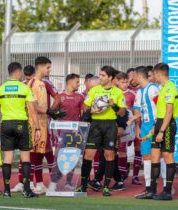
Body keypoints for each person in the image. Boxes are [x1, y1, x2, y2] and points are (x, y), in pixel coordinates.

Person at [0, 62, 40, 198]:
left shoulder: (0, 89)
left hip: (6, 124)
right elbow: (32, 111)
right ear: (19, 72)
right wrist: (37, 128)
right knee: (25, 158)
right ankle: (26, 190)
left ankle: (6, 191)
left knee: (8, 158)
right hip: (21, 124)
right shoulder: (24, 88)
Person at [77, 66, 126, 196]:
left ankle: (105, 187)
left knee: (109, 156)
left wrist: (113, 105)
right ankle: (83, 187)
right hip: (95, 125)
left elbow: (122, 112)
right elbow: (85, 107)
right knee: (88, 155)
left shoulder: (118, 92)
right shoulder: (94, 90)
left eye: (103, 75)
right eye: (100, 75)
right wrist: (93, 108)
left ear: (110, 77)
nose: (101, 78)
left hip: (110, 125)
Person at [139, 63, 178, 200]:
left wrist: (161, 131)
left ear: (159, 74)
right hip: (159, 124)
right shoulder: (162, 88)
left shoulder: (170, 88)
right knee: (154, 157)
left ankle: (167, 191)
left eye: (154, 74)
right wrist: (155, 127)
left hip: (167, 125)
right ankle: (151, 190)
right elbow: (161, 112)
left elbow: (169, 112)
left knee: (168, 157)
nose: (153, 77)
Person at [26, 57, 65, 194]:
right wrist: (50, 111)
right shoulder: (31, 83)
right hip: (34, 124)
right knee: (36, 154)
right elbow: (32, 106)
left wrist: (52, 113)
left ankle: (43, 184)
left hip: (44, 123)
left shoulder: (44, 83)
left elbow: (54, 99)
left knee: (43, 153)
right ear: (40, 67)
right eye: (48, 67)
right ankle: (39, 183)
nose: (49, 70)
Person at [47, 73, 84, 191]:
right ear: (70, 82)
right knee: (59, 157)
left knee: (73, 156)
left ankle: (69, 182)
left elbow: (83, 115)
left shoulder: (79, 97)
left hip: (75, 132)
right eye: (77, 82)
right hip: (61, 133)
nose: (79, 84)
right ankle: (54, 182)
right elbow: (52, 112)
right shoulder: (60, 97)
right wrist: (55, 114)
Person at [131, 67, 159, 199]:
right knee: (146, 157)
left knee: (158, 157)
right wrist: (137, 127)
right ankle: (148, 188)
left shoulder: (153, 89)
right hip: (144, 127)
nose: (132, 79)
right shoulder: (139, 92)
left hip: (154, 126)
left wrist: (156, 126)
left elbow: (161, 108)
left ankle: (165, 188)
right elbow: (137, 111)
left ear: (139, 76)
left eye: (133, 76)